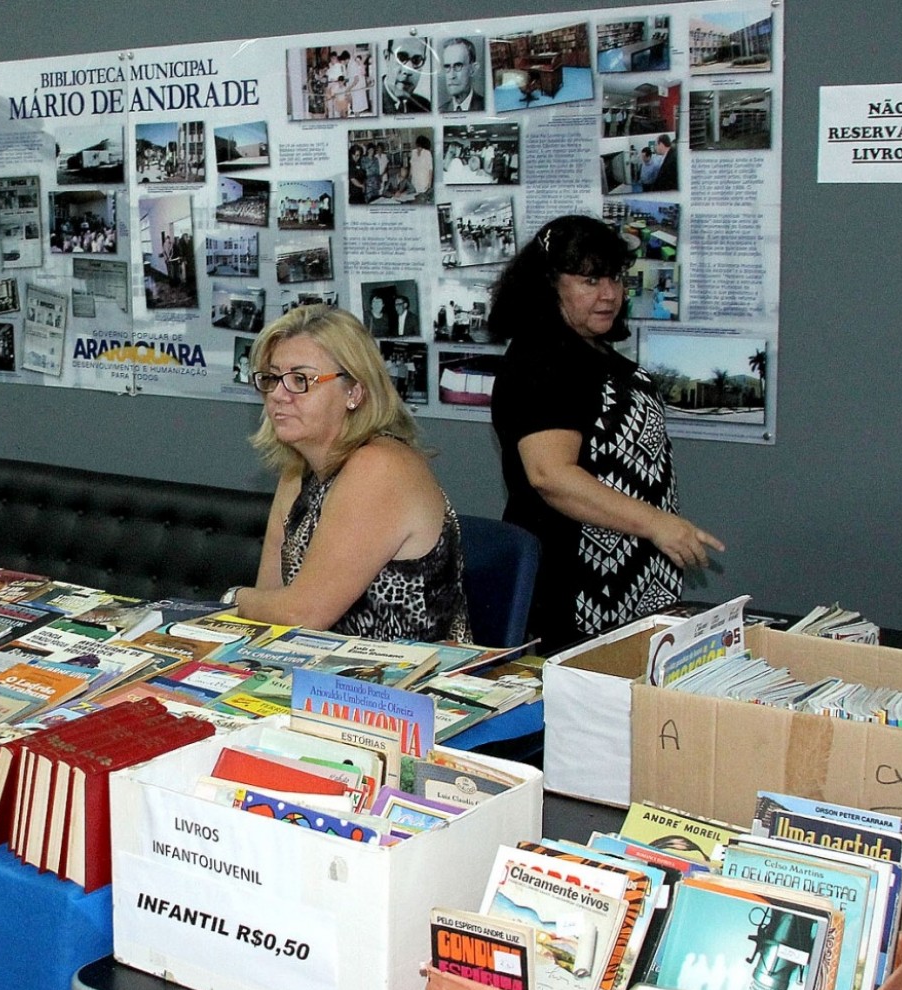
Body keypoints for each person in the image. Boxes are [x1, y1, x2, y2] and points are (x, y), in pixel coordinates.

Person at [487, 215, 723, 648]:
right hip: (573, 590)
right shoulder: (543, 359)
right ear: (549, 283)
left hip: (627, 582)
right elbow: (550, 475)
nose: (609, 294)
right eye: (590, 279)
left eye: (615, 277)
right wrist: (656, 524)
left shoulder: (590, 350)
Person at [226, 305, 472, 643]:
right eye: (271, 378)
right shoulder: (296, 471)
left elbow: (303, 613)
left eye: (300, 380)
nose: (278, 395)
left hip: (406, 684)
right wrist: (250, 606)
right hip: (323, 674)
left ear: (353, 392)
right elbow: (271, 598)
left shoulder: (380, 467)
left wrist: (230, 600)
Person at [439, 36, 486, 113]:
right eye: (447, 67)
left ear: (473, 69)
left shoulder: (485, 106)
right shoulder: (441, 111)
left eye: (458, 66)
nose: (451, 76)